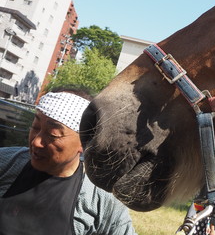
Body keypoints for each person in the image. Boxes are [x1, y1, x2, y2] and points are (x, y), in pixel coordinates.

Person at [0, 88, 137, 235]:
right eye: (35, 127)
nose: (36, 142)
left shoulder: (101, 201)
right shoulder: (6, 162)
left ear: (85, 143)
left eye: (53, 135)